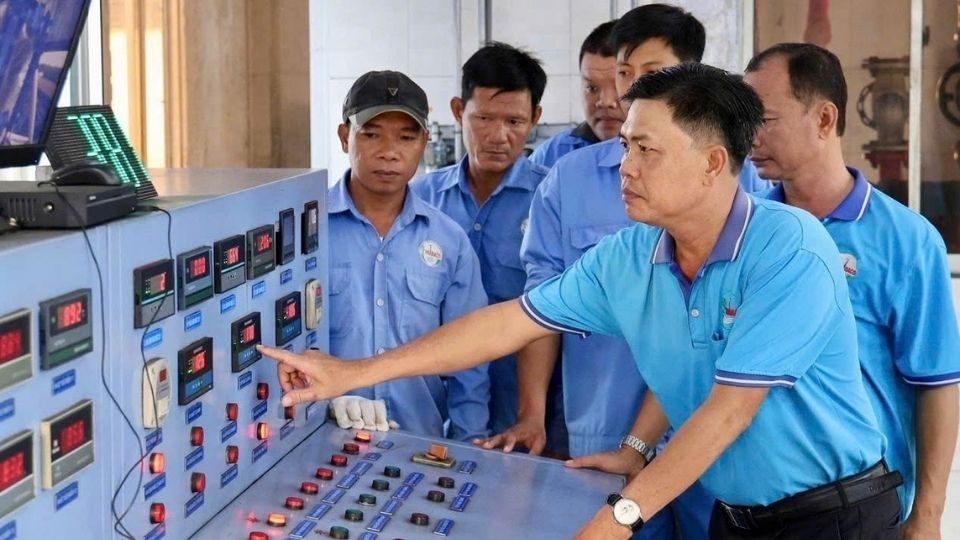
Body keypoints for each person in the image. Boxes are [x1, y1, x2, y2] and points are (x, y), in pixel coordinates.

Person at [260, 63, 900, 539]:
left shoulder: (790, 248)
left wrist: (622, 514)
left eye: (645, 150)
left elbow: (729, 411)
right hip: (737, 517)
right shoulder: (634, 255)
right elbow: (511, 322)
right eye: (625, 145)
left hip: (831, 514)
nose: (623, 166)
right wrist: (356, 372)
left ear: (712, 162)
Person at [480, 5, 769, 536]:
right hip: (606, 431)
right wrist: (533, 412)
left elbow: (711, 333)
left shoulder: (745, 189)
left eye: (650, 74)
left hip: (717, 443)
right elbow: (534, 312)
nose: (624, 92)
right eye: (623, 73)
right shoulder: (568, 181)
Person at [745, 43, 960, 537]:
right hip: (753, 506)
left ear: (824, 118)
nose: (750, 137)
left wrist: (927, 514)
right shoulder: (746, 228)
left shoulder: (904, 239)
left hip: (858, 506)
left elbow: (937, 384)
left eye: (766, 119)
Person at [324, 70, 490, 442]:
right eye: (371, 134)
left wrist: (469, 447)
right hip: (321, 442)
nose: (389, 151)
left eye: (406, 137)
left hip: (421, 443)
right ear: (343, 136)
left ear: (425, 143)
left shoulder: (449, 242)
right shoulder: (307, 233)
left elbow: (471, 356)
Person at [411, 43, 548, 436]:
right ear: (458, 111)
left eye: (515, 122)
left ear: (535, 118)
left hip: (521, 414)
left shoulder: (551, 201)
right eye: (484, 118)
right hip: (433, 406)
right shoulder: (421, 200)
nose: (498, 136)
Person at [529, 20, 624, 168]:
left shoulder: (668, 157)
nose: (605, 102)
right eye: (592, 88)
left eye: (618, 86)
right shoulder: (551, 158)